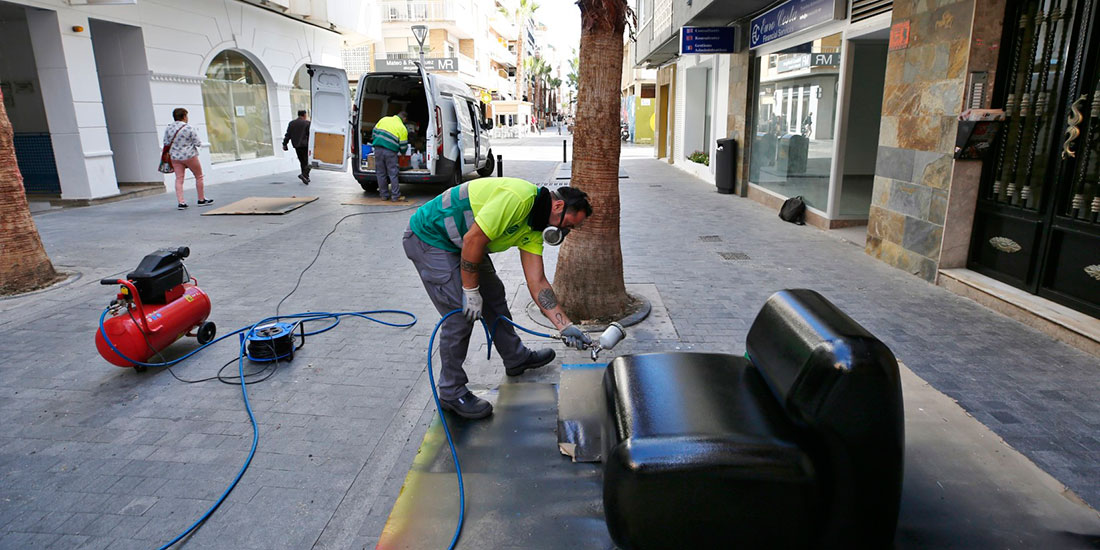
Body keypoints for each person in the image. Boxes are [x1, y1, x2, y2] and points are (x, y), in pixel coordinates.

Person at [403, 178, 594, 419]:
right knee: (460, 314)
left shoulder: (534, 228)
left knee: (494, 297)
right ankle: (451, 391)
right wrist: (470, 292)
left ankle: (515, 358)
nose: (565, 233)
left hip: (465, 241)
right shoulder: (519, 199)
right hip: (431, 238)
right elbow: (473, 240)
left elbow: (538, 283)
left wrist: (564, 325)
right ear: (558, 207)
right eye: (568, 225)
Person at [163, 108, 211, 210]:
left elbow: (166, 142)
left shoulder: (169, 128)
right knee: (199, 176)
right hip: (189, 156)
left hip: (175, 157)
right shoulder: (188, 128)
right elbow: (197, 142)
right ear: (184, 116)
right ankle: (201, 199)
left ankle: (181, 202)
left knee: (179, 179)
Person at [372, 111, 408, 201]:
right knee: (393, 173)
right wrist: (403, 153)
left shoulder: (384, 119)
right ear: (404, 119)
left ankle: (384, 195)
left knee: (380, 173)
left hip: (378, 149)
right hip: (390, 151)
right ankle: (395, 196)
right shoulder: (402, 127)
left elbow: (374, 132)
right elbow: (403, 145)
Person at [282, 110, 311, 184]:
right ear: (304, 115)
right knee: (309, 162)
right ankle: (304, 174)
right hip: (305, 145)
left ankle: (305, 177)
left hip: (296, 145)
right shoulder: (307, 123)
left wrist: (285, 144)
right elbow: (310, 135)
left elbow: (288, 135)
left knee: (302, 161)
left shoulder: (292, 123)